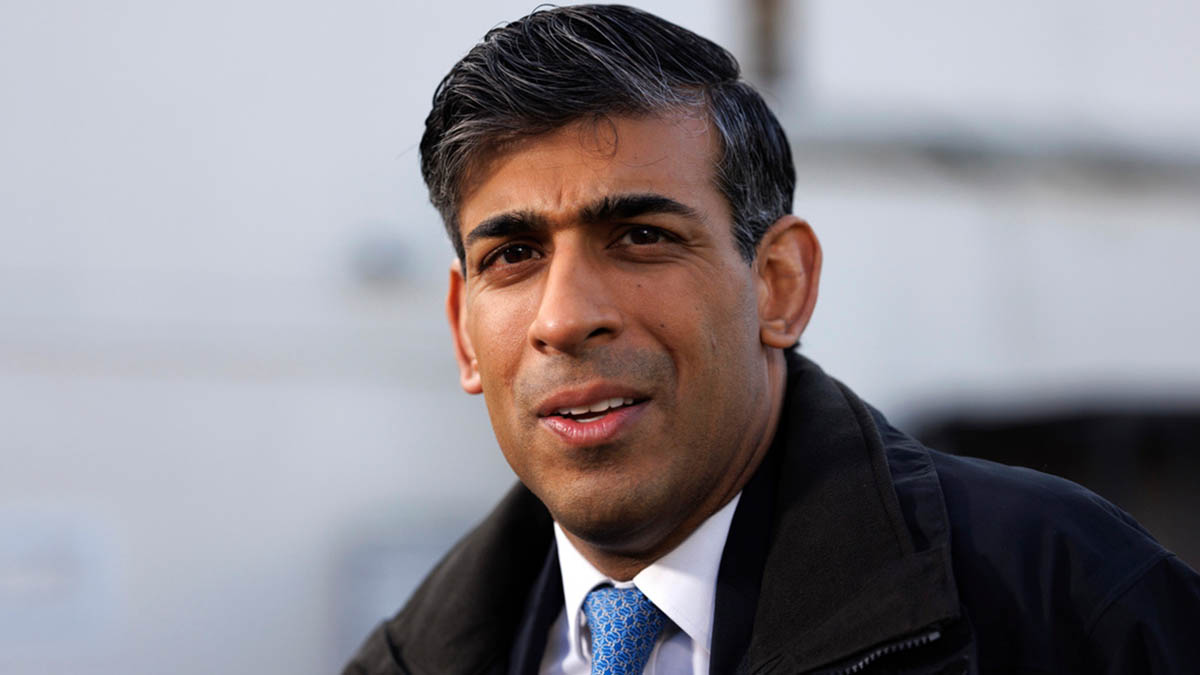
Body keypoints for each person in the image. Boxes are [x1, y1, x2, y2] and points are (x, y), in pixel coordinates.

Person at [344, 5, 1200, 674]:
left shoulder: (1061, 597)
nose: (564, 318)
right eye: (515, 254)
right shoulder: (403, 663)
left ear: (779, 284)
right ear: (463, 328)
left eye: (640, 236)